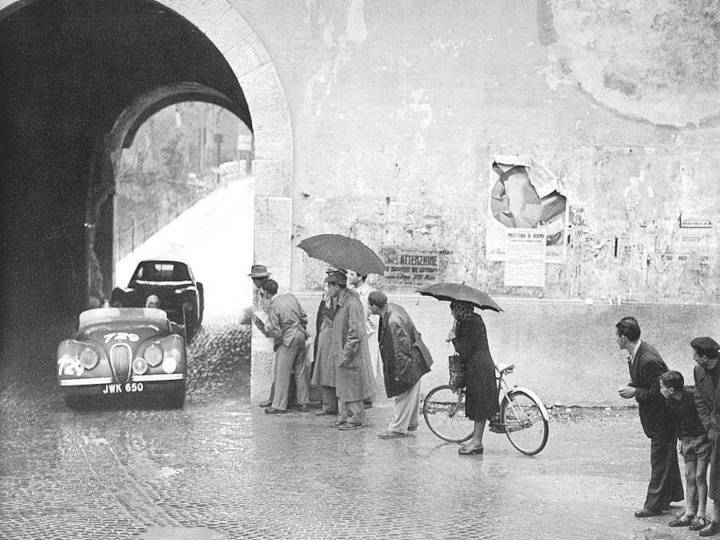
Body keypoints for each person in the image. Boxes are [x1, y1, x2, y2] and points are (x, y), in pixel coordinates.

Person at [616, 316, 683, 517]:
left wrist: (633, 392)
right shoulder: (639, 353)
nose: (616, 340)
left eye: (617, 336)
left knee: (659, 459)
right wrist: (634, 383)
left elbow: (658, 393)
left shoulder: (648, 359)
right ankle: (669, 495)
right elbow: (648, 382)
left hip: (663, 417)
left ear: (624, 338)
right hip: (659, 417)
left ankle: (653, 506)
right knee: (666, 457)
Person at [368, 290, 433, 439]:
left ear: (374, 306)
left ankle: (397, 429)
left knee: (403, 394)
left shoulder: (393, 321)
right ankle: (411, 423)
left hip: (409, 362)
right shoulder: (391, 309)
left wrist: (401, 375)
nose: (368, 308)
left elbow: (400, 351)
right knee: (412, 394)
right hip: (416, 358)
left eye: (369, 306)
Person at [659, 370, 711, 530]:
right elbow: (676, 422)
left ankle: (701, 514)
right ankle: (689, 512)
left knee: (700, 476)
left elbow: (705, 415)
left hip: (702, 440)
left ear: (671, 390)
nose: (660, 390)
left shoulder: (694, 397)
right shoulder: (670, 402)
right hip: (687, 441)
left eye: (662, 387)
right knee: (689, 476)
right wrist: (681, 440)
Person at [324, 270, 374, 430]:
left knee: (352, 386)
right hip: (343, 351)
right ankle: (344, 416)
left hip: (352, 354)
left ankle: (354, 419)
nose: (327, 290)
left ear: (337, 287)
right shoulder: (341, 301)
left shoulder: (352, 302)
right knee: (343, 385)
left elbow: (355, 332)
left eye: (329, 287)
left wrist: (346, 354)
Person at [448, 300, 499, 455]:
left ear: (459, 309)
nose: (451, 314)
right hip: (482, 365)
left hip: (478, 369)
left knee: (479, 407)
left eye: (453, 310)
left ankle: (476, 442)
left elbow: (465, 350)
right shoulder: (475, 319)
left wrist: (453, 338)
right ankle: (476, 440)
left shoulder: (468, 324)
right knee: (480, 404)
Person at [254, 279, 310, 414]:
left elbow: (276, 330)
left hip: (287, 339)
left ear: (267, 293)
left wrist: (264, 329)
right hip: (301, 335)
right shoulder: (290, 297)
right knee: (300, 370)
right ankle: (303, 402)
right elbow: (304, 317)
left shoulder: (273, 306)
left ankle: (279, 405)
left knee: (282, 372)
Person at [692, 336, 720, 537]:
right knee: (716, 477)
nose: (693, 357)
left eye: (695, 354)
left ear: (704, 357)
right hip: (715, 432)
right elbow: (700, 399)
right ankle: (716, 520)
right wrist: (709, 425)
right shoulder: (699, 371)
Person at [346, 269, 380, 409]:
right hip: (353, 334)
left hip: (367, 336)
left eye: (352, 274)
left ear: (360, 277)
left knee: (368, 364)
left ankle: (367, 397)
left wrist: (362, 330)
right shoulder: (349, 293)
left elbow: (374, 318)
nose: (348, 277)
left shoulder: (370, 294)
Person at [311, 278, 338, 416]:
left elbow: (336, 319)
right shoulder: (325, 301)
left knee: (331, 373)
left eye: (330, 286)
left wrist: (328, 311)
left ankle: (333, 405)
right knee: (323, 372)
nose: (327, 289)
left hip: (332, 339)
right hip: (323, 337)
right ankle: (327, 405)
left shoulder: (340, 301)